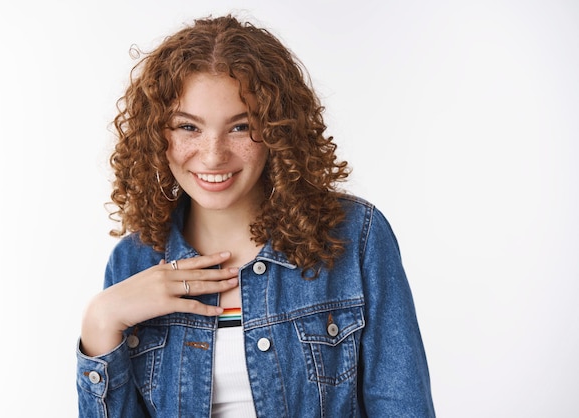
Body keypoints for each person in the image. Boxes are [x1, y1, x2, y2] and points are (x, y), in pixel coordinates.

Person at [76, 14, 435, 418]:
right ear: (157, 133)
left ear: (279, 130)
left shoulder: (356, 237)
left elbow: (404, 407)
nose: (213, 154)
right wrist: (100, 321)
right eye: (188, 127)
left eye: (241, 127)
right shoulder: (133, 262)